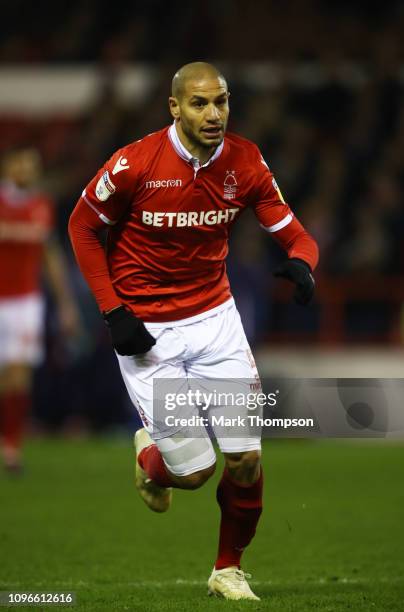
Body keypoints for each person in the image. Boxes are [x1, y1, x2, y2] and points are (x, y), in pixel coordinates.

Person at [68, 62, 319, 601]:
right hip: (147, 332)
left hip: (215, 322)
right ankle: (150, 459)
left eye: (222, 102)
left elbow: (296, 233)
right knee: (194, 473)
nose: (214, 114)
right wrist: (113, 312)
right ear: (175, 107)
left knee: (246, 458)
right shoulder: (135, 163)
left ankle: (228, 569)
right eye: (200, 103)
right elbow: (82, 226)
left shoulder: (244, 160)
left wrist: (303, 263)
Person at [0, 146, 80, 473]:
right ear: (8, 166)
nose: (29, 170)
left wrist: (66, 304)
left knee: (19, 376)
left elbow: (51, 257)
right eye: (22, 163)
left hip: (25, 302)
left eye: (34, 165)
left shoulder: (40, 205)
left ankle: (12, 447)